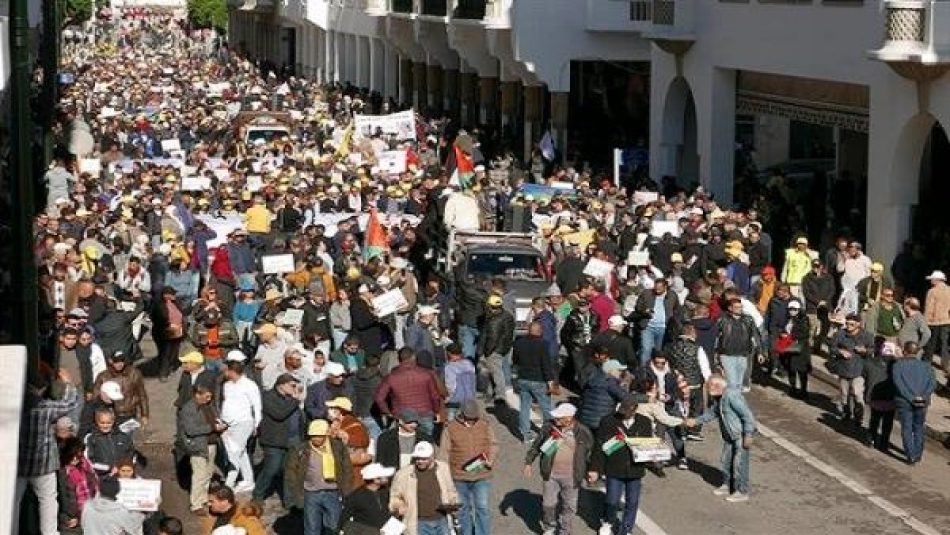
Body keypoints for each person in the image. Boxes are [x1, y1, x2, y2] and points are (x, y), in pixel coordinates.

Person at [523, 403, 593, 535]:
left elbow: (590, 453)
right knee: (548, 505)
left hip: (572, 476)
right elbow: (536, 446)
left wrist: (592, 470)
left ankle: (565, 531)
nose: (555, 419)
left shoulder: (583, 431)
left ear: (569, 418)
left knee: (569, 507)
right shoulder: (548, 428)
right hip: (551, 474)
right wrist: (528, 462)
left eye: (559, 417)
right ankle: (549, 527)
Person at [589, 397, 653, 535]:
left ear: (635, 409)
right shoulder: (608, 421)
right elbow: (599, 446)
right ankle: (608, 521)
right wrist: (595, 468)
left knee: (632, 502)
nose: (623, 414)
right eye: (621, 410)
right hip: (614, 467)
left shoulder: (645, 422)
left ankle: (626, 529)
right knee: (612, 499)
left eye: (627, 411)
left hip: (635, 469)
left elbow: (648, 445)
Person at [692, 374, 757, 502]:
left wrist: (748, 434)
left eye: (710, 388)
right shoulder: (720, 398)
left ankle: (741, 490)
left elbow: (747, 416)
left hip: (740, 435)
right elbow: (713, 413)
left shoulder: (731, 396)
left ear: (716, 385)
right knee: (725, 460)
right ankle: (727, 485)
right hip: (730, 435)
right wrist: (696, 421)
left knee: (739, 463)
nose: (709, 393)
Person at [438, 399, 498, 535]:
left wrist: (490, 459)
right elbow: (443, 453)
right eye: (469, 418)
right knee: (463, 509)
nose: (472, 420)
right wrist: (444, 477)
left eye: (474, 417)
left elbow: (494, 444)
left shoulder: (485, 425)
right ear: (462, 414)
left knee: (482, 508)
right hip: (459, 476)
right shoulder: (450, 428)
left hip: (482, 475)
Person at [284, 419, 353, 534]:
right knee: (311, 528)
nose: (315, 438)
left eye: (319, 436)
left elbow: (347, 469)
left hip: (333, 493)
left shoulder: (337, 447)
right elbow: (291, 472)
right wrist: (296, 495)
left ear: (326, 434)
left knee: (334, 527)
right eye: (313, 436)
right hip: (311, 493)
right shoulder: (300, 449)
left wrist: (346, 492)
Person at [253, 373, 305, 506]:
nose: (295, 388)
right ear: (281, 385)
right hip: (274, 440)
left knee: (290, 471)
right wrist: (295, 400)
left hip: (293, 439)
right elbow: (279, 414)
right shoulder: (268, 396)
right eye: (292, 385)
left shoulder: (290, 398)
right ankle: (258, 495)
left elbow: (299, 417)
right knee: (272, 469)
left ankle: (290, 501)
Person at [389, 441, 459, 535]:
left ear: (432, 457)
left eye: (424, 459)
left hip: (441, 520)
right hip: (419, 523)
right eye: (417, 458)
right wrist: (398, 506)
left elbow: (451, 490)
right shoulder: (403, 474)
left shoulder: (443, 468)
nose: (420, 461)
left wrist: (453, 504)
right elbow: (394, 496)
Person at [177, 383, 225, 515]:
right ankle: (196, 504)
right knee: (199, 475)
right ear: (197, 394)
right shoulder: (189, 409)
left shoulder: (207, 406)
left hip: (211, 444)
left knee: (208, 474)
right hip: (198, 446)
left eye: (210, 396)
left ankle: (203, 499)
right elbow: (191, 430)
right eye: (206, 396)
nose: (209, 399)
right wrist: (212, 428)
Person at [374, 347, 443, 437]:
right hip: (425, 413)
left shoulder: (391, 377)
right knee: (426, 445)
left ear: (399, 359)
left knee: (405, 444)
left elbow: (379, 398)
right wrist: (437, 411)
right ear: (414, 357)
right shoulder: (426, 374)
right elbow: (435, 396)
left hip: (402, 416)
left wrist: (388, 413)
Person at [220, 354, 262, 492]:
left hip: (243, 423)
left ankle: (228, 484)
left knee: (234, 453)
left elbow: (257, 405)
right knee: (241, 452)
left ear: (232, 371)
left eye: (226, 370)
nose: (224, 372)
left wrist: (256, 424)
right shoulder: (226, 385)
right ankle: (248, 480)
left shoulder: (249, 385)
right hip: (227, 424)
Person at [513, 320, 558, 442]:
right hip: (539, 380)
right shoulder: (543, 344)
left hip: (523, 379)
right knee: (546, 407)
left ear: (529, 330)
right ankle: (552, 432)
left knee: (524, 407)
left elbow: (515, 361)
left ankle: (526, 434)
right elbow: (546, 364)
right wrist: (550, 381)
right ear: (540, 331)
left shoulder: (519, 343)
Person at [892, 342, 936, 465]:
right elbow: (932, 384)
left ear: (905, 351)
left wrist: (911, 397)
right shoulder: (927, 366)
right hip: (922, 402)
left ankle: (910, 455)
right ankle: (918, 453)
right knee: (919, 427)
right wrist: (923, 396)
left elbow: (899, 384)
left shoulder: (898, 366)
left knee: (906, 427)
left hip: (905, 401)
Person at [829, 314, 874, 423]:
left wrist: (865, 351)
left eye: (852, 324)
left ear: (858, 324)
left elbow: (873, 350)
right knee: (844, 394)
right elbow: (832, 348)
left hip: (859, 369)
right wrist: (841, 352)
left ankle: (859, 417)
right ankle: (846, 413)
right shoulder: (840, 334)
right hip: (844, 368)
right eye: (847, 323)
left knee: (857, 393)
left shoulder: (866, 336)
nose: (848, 326)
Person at [577, 348, 630, 434]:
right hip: (600, 422)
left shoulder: (592, 380)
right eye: (619, 370)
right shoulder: (610, 383)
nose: (620, 373)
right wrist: (646, 398)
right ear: (611, 371)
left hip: (584, 420)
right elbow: (627, 398)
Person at [92, 350, 149, 429]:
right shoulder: (103, 376)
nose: (119, 364)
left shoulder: (134, 373)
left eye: (122, 361)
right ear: (111, 361)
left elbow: (142, 395)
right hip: (110, 415)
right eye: (116, 361)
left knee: (127, 439)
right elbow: (95, 397)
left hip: (129, 414)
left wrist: (144, 414)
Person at [714, 298, 762, 392]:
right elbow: (715, 337)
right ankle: (734, 405)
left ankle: (732, 404)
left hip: (743, 355)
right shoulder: (722, 320)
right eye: (736, 307)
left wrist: (760, 352)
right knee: (731, 383)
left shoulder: (748, 319)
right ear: (730, 308)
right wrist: (715, 353)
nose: (739, 309)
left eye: (741, 307)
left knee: (739, 385)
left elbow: (755, 336)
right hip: (727, 355)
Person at [476, 294, 515, 403]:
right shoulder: (508, 315)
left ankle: (500, 395)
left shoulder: (493, 321)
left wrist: (485, 352)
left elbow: (491, 338)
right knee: (495, 371)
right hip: (504, 347)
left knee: (496, 372)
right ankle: (491, 393)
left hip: (494, 350)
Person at [633, 278, 681, 365]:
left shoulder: (672, 295)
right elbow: (638, 307)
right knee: (646, 349)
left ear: (665, 287)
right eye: (656, 287)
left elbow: (677, 309)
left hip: (663, 328)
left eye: (659, 288)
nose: (657, 290)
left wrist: (673, 321)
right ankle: (644, 371)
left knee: (659, 351)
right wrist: (645, 310)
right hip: (648, 327)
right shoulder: (646, 293)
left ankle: (657, 370)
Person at [340, 463, 397, 535]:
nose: (387, 477)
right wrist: (373, 532)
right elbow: (344, 522)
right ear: (376, 479)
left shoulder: (385, 492)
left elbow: (386, 514)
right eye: (384, 475)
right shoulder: (356, 496)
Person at [81, 476, 145, 534]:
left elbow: (84, 525)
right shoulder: (120, 511)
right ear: (118, 491)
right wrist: (143, 512)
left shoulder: (87, 505)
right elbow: (134, 525)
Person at [864, 341, 896, 452]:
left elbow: (865, 376)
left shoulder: (871, 362)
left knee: (874, 420)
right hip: (890, 399)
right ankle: (884, 443)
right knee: (887, 423)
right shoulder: (897, 366)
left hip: (875, 397)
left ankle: (871, 439)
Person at [777, 299, 812, 399]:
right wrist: (783, 335)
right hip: (789, 347)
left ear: (799, 310)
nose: (792, 311)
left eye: (794, 310)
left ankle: (803, 391)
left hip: (800, 348)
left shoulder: (804, 319)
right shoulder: (787, 319)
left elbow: (805, 333)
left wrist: (791, 336)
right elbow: (783, 328)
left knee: (802, 370)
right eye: (790, 309)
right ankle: (792, 388)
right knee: (791, 369)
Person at [85, 408, 135, 475]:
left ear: (113, 421)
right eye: (102, 423)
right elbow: (89, 461)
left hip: (122, 474)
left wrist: (122, 467)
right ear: (97, 421)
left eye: (108, 423)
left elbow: (131, 454)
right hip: (101, 475)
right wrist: (109, 468)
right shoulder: (91, 438)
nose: (105, 425)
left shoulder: (123, 437)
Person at [203, 482, 267, 535]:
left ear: (224, 502)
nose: (208, 504)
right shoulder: (213, 514)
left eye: (212, 501)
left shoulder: (247, 519)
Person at [152, 285, 186, 381]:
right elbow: (157, 319)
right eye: (172, 294)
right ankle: (163, 373)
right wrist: (168, 326)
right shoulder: (159, 306)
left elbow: (182, 313)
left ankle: (170, 367)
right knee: (165, 354)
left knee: (173, 353)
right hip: (164, 333)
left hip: (177, 332)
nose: (174, 295)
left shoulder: (176, 303)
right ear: (166, 295)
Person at [923, 270, 950, 383]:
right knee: (945, 343)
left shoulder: (932, 292)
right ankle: (945, 364)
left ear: (937, 280)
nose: (931, 281)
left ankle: (927, 362)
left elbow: (929, 307)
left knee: (931, 343)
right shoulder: (949, 290)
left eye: (932, 279)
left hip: (934, 322)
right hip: (947, 320)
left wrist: (925, 321)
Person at [443, 343, 477, 421]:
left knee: (451, 423)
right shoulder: (469, 364)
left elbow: (450, 386)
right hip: (469, 399)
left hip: (454, 401)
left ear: (449, 354)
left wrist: (447, 398)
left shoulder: (449, 367)